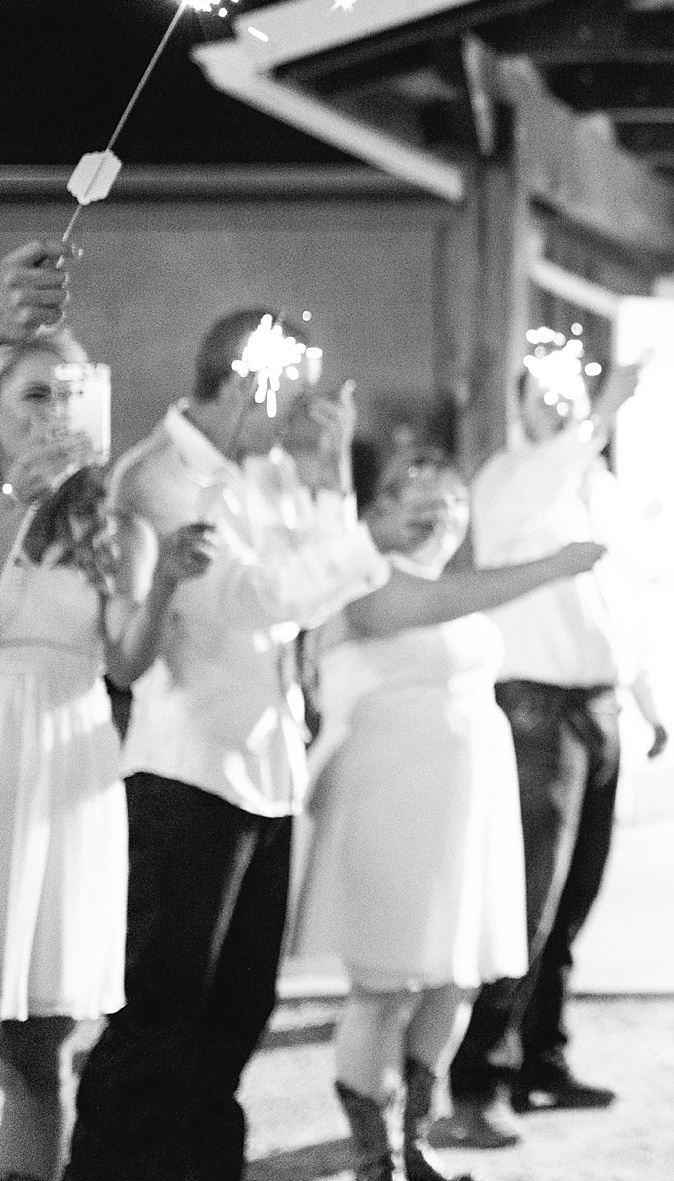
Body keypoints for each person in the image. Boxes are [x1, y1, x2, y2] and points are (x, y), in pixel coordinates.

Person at [67, 309, 392, 1181]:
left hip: (269, 768)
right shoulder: (157, 477)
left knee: (239, 1012)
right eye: (282, 400)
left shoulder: (273, 470)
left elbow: (319, 596)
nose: (292, 421)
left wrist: (331, 484)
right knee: (159, 1014)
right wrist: (365, 541)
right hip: (186, 775)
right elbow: (250, 597)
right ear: (245, 383)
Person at [295, 450, 604, 1181]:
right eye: (420, 504)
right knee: (384, 982)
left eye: (451, 505)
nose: (440, 518)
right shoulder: (359, 583)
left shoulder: (449, 588)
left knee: (452, 977)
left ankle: (414, 1140)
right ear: (375, 512)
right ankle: (374, 1158)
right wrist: (554, 566)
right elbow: (424, 608)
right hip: (387, 796)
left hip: (464, 806)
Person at [437, 348, 667, 1145]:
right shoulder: (510, 477)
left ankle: (543, 1060)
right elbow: (529, 508)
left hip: (597, 710)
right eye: (549, 391)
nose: (564, 403)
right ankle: (478, 1081)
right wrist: (604, 410)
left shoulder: (596, 488)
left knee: (573, 903)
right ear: (520, 403)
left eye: (574, 390)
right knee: (528, 903)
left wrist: (643, 695)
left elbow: (621, 600)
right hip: (535, 712)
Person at [0, 330, 211, 1180]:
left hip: (65, 760)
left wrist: (163, 584)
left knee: (33, 1043)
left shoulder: (113, 525)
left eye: (67, 395)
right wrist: (18, 496)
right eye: (32, 395)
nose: (52, 414)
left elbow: (126, 661)